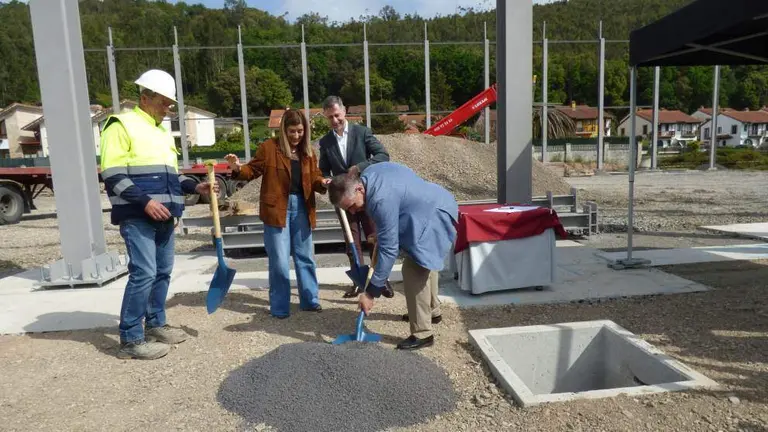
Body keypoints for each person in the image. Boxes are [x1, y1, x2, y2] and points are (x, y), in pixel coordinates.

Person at [100, 69, 219, 360]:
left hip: (165, 216)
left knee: (163, 272)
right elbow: (112, 173)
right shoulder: (120, 125)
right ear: (145, 97)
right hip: (138, 215)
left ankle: (155, 323)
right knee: (144, 273)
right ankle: (130, 338)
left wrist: (195, 186)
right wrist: (145, 203)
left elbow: (171, 178)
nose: (168, 109)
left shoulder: (161, 132)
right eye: (165, 103)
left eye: (170, 104)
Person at [327, 162, 458, 351]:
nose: (353, 212)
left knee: (414, 268)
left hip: (435, 213)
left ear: (358, 188)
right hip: (428, 205)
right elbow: (398, 197)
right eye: (348, 210)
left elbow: (389, 249)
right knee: (424, 260)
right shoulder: (370, 175)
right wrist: (383, 233)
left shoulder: (380, 200)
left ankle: (423, 333)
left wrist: (371, 293)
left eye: (352, 206)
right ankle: (432, 311)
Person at [224, 109, 327, 319]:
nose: (296, 136)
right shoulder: (269, 148)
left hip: (303, 206)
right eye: (292, 131)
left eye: (300, 131)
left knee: (305, 256)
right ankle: (280, 307)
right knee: (279, 259)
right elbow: (251, 171)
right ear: (283, 130)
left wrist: (323, 183)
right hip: (276, 208)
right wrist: (236, 167)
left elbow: (315, 177)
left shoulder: (308, 152)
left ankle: (310, 300)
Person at [318, 95, 394, 299]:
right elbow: (323, 169)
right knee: (352, 242)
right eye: (330, 118)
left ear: (344, 112)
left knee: (373, 237)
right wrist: (325, 179)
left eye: (337, 115)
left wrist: (359, 167)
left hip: (364, 196)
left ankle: (380, 280)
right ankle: (359, 282)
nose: (334, 121)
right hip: (343, 201)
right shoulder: (325, 142)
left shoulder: (362, 133)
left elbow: (382, 156)